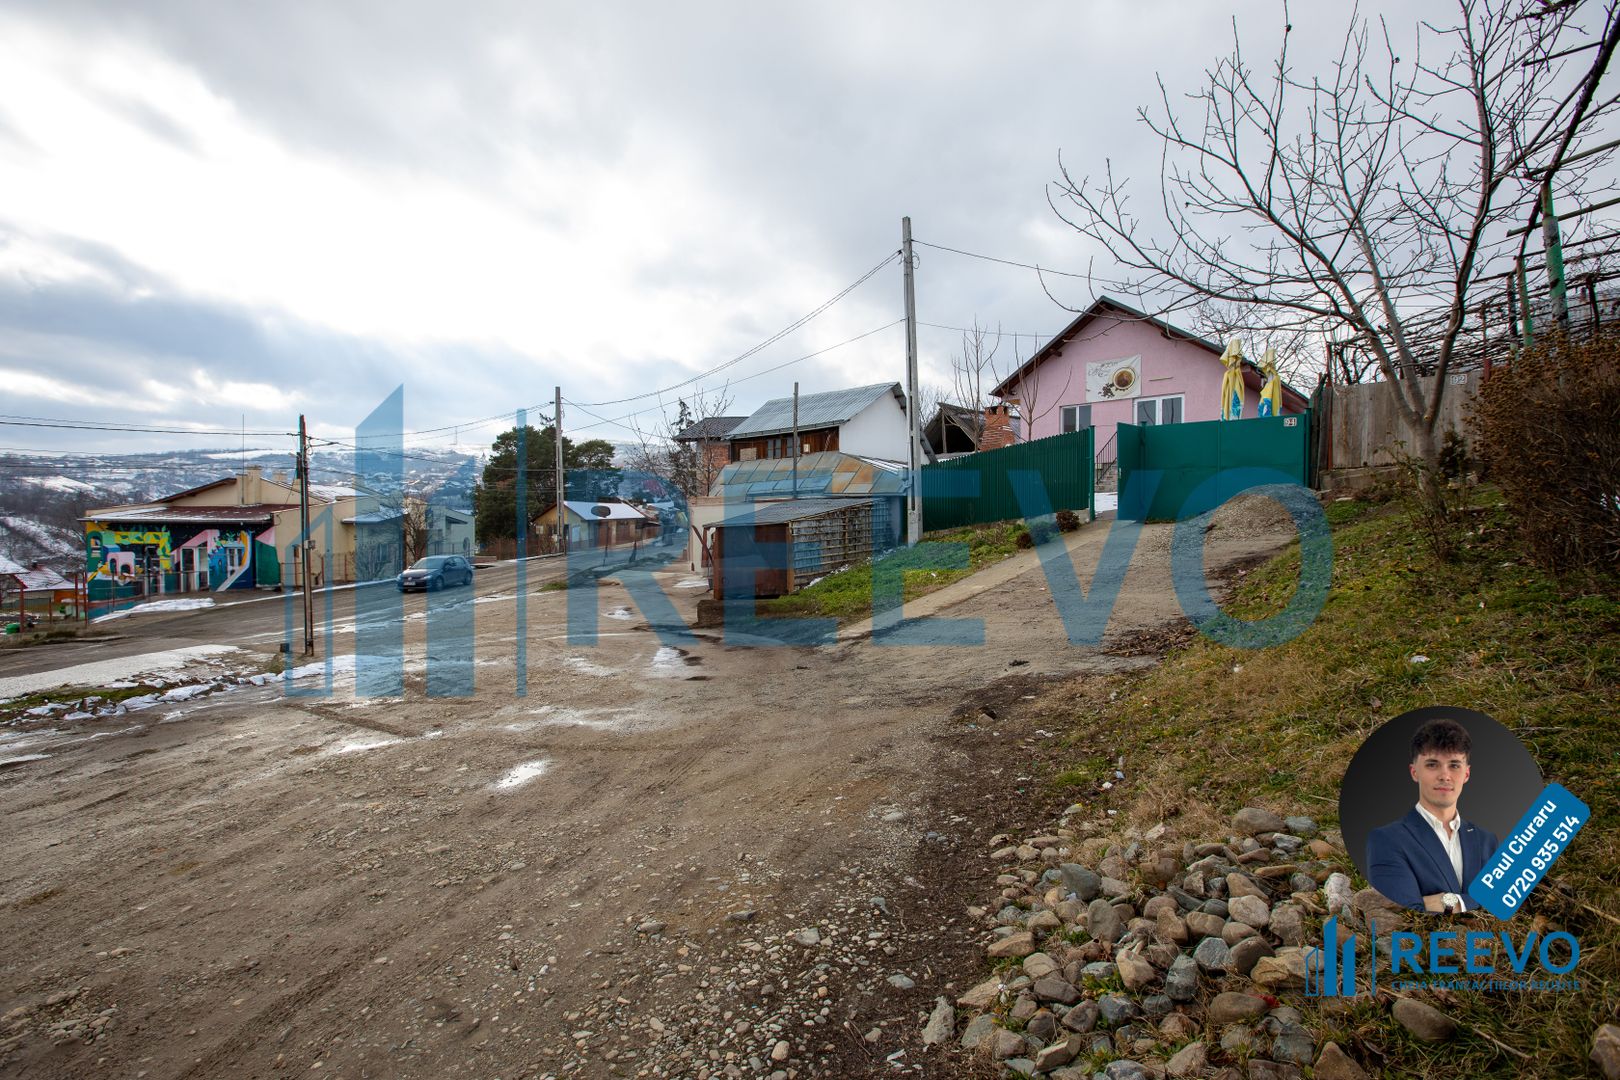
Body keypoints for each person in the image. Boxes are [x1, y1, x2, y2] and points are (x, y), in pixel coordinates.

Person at [1366, 718, 1500, 912]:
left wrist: (1451, 902)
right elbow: (1405, 910)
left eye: (1454, 765)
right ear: (1414, 772)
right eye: (1432, 765)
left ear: (1467, 774)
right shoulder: (1386, 840)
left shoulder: (1487, 840)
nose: (1444, 776)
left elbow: (1501, 902)